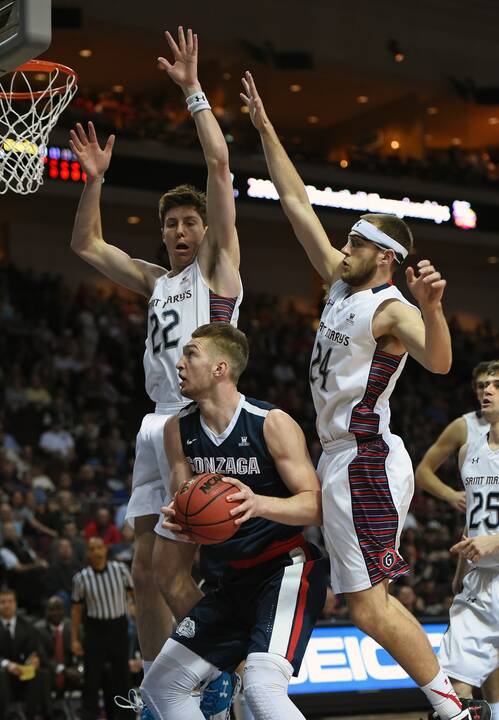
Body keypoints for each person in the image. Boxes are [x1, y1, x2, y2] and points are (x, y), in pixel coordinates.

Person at [240, 71, 475, 720]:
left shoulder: (392, 307)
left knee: (368, 607)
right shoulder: (343, 288)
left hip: (364, 458)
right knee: (309, 564)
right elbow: (294, 205)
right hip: (340, 457)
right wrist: (263, 128)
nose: (339, 248)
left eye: (352, 243)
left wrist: (431, 308)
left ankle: (455, 712)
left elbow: (440, 358)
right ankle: (262, 676)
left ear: (382, 257)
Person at [69, 24, 242, 711]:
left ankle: (219, 661)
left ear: (204, 230)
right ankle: (154, 690)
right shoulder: (155, 278)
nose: (177, 232)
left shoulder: (219, 270)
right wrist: (94, 182)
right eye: (169, 224)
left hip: (199, 421)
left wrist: (193, 91)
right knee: (142, 572)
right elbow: (85, 242)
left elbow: (221, 169)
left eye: (187, 224)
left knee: (176, 568)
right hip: (153, 422)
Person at [139, 323, 328, 720]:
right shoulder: (178, 429)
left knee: (262, 689)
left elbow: (316, 506)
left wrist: (259, 504)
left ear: (220, 368)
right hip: (229, 580)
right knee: (161, 686)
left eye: (191, 354)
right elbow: (185, 503)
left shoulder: (270, 422)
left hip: (286, 569)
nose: (179, 363)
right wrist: (179, 518)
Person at [436, 361, 499, 720]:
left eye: (497, 385)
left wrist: (496, 542)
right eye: (484, 385)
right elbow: (473, 520)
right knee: (452, 685)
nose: (487, 391)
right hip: (480, 582)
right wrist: (463, 567)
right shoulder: (468, 452)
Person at [71, 537, 133, 720]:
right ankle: (89, 715)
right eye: (92, 549)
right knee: (92, 677)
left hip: (118, 627)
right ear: (88, 553)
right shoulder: (81, 578)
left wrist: (135, 612)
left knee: (121, 675)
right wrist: (74, 638)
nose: (96, 552)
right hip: (94, 630)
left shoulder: (121, 570)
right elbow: (75, 611)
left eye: (99, 547)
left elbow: (134, 596)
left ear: (106, 550)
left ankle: (124, 716)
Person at [416, 361, 491, 511]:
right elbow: (422, 472)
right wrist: (451, 495)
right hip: (478, 522)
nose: (486, 391)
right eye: (481, 386)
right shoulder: (463, 426)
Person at [0, 588, 51, 720]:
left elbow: (35, 650)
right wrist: (7, 664)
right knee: (1, 673)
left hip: (23, 672)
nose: (6, 605)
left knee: (40, 673)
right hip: (4, 674)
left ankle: (35, 715)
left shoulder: (27, 626)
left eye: (10, 601)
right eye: (2, 601)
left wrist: (33, 660)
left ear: (15, 604)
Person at [35, 595, 82, 697]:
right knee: (43, 674)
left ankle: (89, 709)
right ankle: (48, 711)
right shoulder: (38, 630)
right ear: (45, 612)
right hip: (50, 671)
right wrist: (63, 670)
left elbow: (80, 653)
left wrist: (78, 668)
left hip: (71, 669)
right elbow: (44, 657)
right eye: (51, 609)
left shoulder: (73, 628)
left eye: (59, 609)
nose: (55, 613)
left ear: (64, 611)